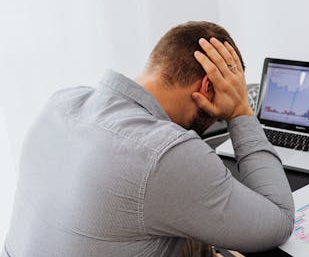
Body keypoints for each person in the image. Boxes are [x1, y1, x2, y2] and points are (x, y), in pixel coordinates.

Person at [2, 21, 294, 257]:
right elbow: (278, 221)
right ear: (208, 87)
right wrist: (240, 111)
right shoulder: (166, 153)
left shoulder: (62, 102)